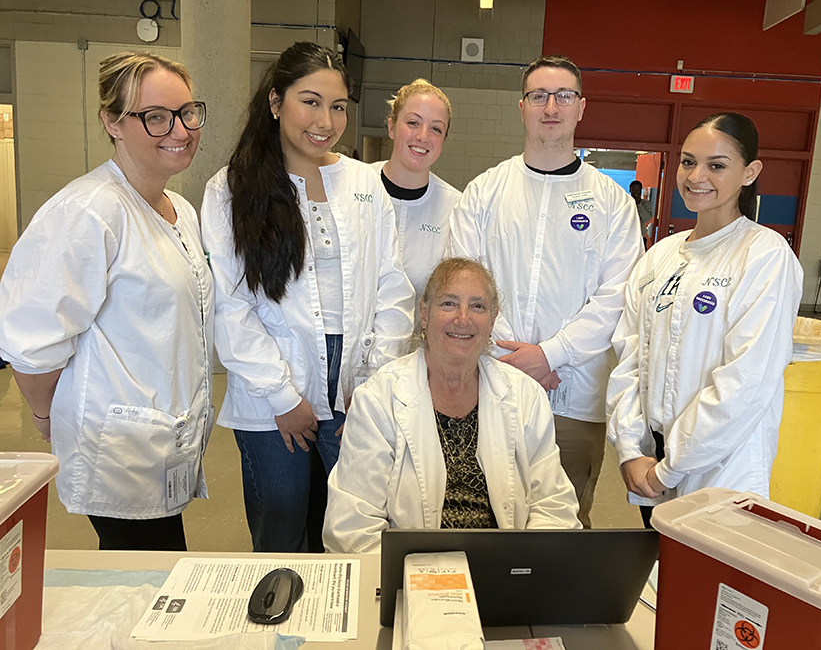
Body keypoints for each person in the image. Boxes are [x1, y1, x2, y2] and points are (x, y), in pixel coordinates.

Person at [201, 41, 415, 553]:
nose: (325, 119)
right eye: (310, 101)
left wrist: (370, 381)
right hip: (274, 378)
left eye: (338, 106)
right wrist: (283, 396)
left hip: (353, 377)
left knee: (353, 518)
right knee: (283, 510)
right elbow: (231, 306)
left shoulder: (364, 182)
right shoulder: (231, 189)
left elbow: (392, 287)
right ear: (276, 103)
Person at [0, 51, 212, 550]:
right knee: (147, 579)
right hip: (119, 448)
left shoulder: (177, 207)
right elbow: (31, 345)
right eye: (155, 117)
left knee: (156, 574)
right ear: (112, 122)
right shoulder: (88, 212)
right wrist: (48, 415)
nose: (179, 130)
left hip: (164, 439)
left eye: (187, 112)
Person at [449, 55, 643, 527]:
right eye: (539, 95)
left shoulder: (612, 203)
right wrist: (517, 360)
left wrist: (551, 355)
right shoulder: (484, 192)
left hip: (574, 398)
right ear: (522, 107)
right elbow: (463, 286)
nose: (550, 106)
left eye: (563, 95)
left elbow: (617, 295)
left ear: (581, 108)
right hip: (487, 384)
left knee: (563, 526)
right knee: (476, 511)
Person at [606, 112, 803, 528]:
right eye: (688, 161)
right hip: (652, 460)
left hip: (722, 465)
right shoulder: (661, 256)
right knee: (660, 579)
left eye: (717, 165)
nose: (697, 176)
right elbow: (629, 354)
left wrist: (671, 467)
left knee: (708, 586)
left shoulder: (764, 255)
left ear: (750, 172)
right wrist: (630, 447)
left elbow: (746, 380)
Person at [323, 258, 581, 553]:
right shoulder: (378, 399)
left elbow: (554, 505)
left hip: (502, 571)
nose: (463, 318)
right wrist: (423, 582)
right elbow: (352, 528)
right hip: (414, 575)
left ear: (493, 319)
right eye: (448, 304)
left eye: (478, 306)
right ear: (424, 313)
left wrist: (522, 567)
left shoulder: (525, 396)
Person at [371, 79, 461, 306]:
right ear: (391, 127)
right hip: (354, 340)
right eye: (413, 122)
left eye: (436, 129)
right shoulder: (356, 185)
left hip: (419, 341)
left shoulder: (456, 207)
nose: (423, 136)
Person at [630, 180, 653, 248]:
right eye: (634, 189)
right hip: (627, 237)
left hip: (640, 237)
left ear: (641, 191)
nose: (636, 192)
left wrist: (639, 204)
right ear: (630, 190)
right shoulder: (625, 202)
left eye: (638, 190)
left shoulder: (646, 204)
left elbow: (646, 218)